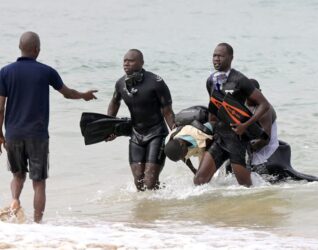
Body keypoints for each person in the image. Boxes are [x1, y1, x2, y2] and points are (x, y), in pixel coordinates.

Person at [0, 31, 97, 223]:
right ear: (37, 50)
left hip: (13, 134)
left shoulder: (5, 72)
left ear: (20, 48)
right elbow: (67, 93)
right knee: (39, 182)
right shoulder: (47, 71)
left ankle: (14, 200)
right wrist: (84, 95)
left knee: (17, 176)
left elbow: (0, 107)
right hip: (37, 135)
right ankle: (37, 224)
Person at [193, 43, 270, 187]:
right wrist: (208, 133)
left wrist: (245, 125)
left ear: (231, 58)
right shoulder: (211, 81)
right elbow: (213, 110)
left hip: (238, 141)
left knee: (245, 187)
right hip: (220, 139)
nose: (216, 59)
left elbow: (264, 105)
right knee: (199, 180)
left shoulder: (240, 80)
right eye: (214, 55)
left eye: (220, 56)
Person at [107, 49, 176, 191]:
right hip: (136, 135)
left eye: (130, 61)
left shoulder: (156, 82)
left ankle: (157, 207)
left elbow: (167, 111)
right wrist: (109, 127)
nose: (126, 63)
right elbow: (114, 103)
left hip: (157, 133)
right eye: (124, 61)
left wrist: (174, 133)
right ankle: (153, 204)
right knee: (139, 181)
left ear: (141, 63)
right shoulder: (120, 84)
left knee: (150, 180)